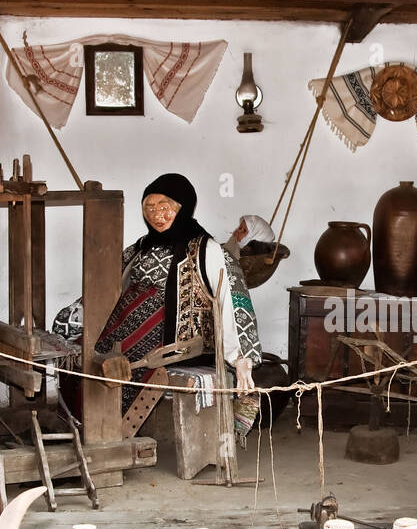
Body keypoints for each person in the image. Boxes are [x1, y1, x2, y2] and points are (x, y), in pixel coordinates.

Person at [54, 173, 262, 423]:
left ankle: (102, 423)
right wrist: (74, 316)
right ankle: (78, 420)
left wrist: (240, 357)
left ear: (182, 207)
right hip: (127, 320)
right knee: (82, 349)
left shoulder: (206, 249)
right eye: (149, 208)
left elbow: (233, 298)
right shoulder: (142, 246)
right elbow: (109, 283)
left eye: (164, 207)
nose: (156, 215)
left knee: (118, 360)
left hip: (175, 336)